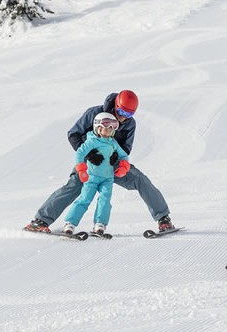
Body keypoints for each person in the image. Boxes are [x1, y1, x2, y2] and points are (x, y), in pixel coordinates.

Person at [25, 90, 174, 233]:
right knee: (74, 185)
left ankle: (163, 218)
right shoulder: (94, 113)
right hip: (90, 163)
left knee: (140, 179)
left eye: (129, 114)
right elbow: (73, 134)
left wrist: (117, 158)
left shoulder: (130, 124)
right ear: (116, 105)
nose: (123, 117)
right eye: (122, 112)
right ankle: (40, 221)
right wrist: (89, 154)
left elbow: (125, 149)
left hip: (111, 164)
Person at [61, 112, 130, 235]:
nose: (109, 131)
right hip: (91, 177)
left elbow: (124, 154)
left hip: (107, 178)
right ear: (97, 127)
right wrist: (81, 169)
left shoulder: (112, 142)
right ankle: (70, 223)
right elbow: (79, 153)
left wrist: (124, 166)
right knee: (85, 199)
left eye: (112, 128)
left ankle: (100, 223)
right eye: (106, 128)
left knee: (105, 200)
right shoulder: (92, 141)